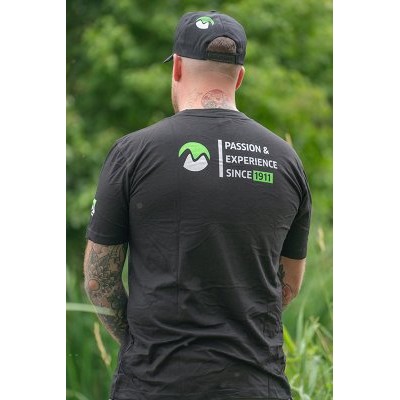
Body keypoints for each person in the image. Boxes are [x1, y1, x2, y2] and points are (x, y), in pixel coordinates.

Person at [84, 10, 311, 400]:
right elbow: (288, 283)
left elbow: (97, 281)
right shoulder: (285, 160)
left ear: (177, 68)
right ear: (240, 77)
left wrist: (141, 344)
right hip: (255, 385)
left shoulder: (132, 153)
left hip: (154, 385)